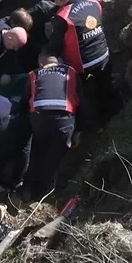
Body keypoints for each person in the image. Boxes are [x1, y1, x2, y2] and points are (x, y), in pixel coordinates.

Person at [45, 0, 114, 130]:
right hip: (104, 55)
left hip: (84, 65)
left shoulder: (63, 17)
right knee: (106, 87)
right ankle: (113, 110)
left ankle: (89, 123)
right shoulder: (93, 2)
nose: (54, 2)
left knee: (77, 94)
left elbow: (55, 44)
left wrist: (49, 56)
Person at [17, 55, 82, 200]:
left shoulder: (33, 74)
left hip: (39, 119)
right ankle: (40, 192)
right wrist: (79, 130)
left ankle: (27, 188)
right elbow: (81, 102)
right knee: (53, 157)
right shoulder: (70, 72)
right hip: (64, 120)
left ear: (41, 63)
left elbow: (24, 102)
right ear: (59, 62)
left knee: (37, 152)